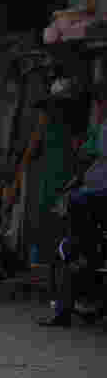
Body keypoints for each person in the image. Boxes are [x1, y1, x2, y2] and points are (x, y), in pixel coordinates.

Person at [40, 113, 107, 327]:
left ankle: (69, 308)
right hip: (89, 231)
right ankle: (69, 308)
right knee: (66, 254)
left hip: (90, 229)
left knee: (69, 253)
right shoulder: (92, 170)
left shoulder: (93, 177)